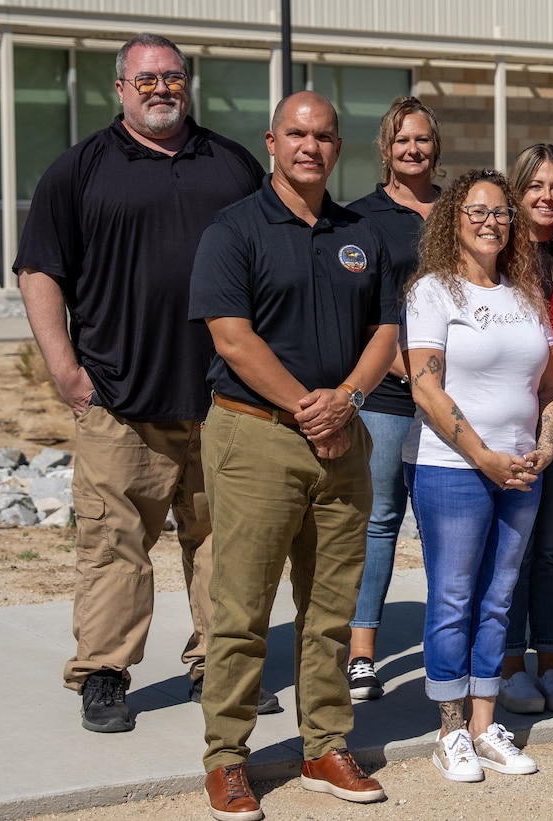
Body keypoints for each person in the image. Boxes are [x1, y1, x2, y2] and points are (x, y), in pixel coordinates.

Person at [13, 32, 279, 734]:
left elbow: (274, 259)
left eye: (173, 77)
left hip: (225, 400)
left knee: (226, 544)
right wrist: (66, 371)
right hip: (120, 400)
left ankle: (219, 664)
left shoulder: (232, 164)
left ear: (187, 84)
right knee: (113, 547)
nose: (161, 89)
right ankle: (104, 674)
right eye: (147, 79)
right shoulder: (79, 171)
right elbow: (39, 270)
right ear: (121, 89)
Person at [190, 91, 398, 819]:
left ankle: (324, 744)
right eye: (297, 135)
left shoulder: (360, 233)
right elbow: (231, 337)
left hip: (344, 437)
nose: (311, 147)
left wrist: (345, 398)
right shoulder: (234, 228)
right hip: (258, 436)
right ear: (273, 141)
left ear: (338, 147)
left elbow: (386, 330)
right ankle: (227, 756)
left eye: (325, 136)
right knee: (243, 608)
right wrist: (310, 408)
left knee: (330, 610)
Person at [403, 169, 553, 782]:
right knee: (453, 596)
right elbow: (425, 386)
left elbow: (547, 385)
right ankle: (449, 733)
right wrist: (483, 455)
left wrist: (545, 445)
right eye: (476, 211)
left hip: (522, 468)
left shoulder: (527, 295)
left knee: (498, 597)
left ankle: (483, 723)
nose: (490, 221)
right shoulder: (432, 293)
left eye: (500, 212)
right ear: (453, 219)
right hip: (452, 467)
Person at [342, 96, 443, 701]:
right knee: (378, 521)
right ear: (385, 148)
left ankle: (446, 646)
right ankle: (361, 653)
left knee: (443, 526)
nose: (413, 149)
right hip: (386, 395)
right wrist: (403, 367)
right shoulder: (360, 218)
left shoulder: (459, 212)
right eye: (402, 139)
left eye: (423, 139)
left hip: (452, 398)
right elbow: (357, 313)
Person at [497, 144, 553, 715]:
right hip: (509, 421)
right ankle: (510, 665)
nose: (546, 197)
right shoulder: (496, 258)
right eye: (534, 186)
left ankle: (549, 660)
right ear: (516, 192)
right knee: (517, 548)